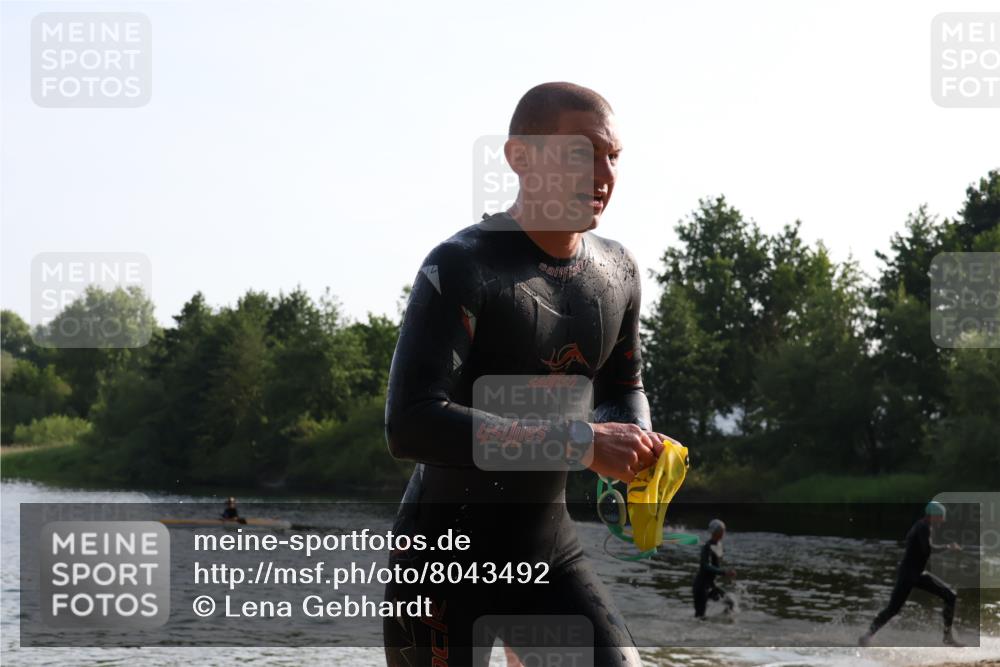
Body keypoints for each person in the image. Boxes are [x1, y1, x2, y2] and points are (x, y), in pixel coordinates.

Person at [382, 82, 678, 667]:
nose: (602, 171)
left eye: (612, 156)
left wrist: (637, 444)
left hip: (547, 556)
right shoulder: (462, 266)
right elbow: (410, 424)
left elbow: (622, 388)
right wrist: (582, 443)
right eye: (582, 151)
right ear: (520, 156)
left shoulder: (616, 272)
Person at [858, 501, 963, 647]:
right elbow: (927, 550)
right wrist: (948, 547)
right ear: (933, 515)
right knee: (893, 609)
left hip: (917, 574)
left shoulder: (923, 526)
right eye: (941, 517)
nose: (943, 521)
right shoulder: (923, 528)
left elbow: (923, 550)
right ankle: (866, 636)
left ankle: (947, 637)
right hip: (908, 575)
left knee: (950, 596)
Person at [693, 519, 736, 618]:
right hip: (700, 587)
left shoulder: (719, 545)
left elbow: (716, 565)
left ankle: (723, 624)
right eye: (722, 530)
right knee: (700, 617)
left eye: (724, 530)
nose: (724, 533)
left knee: (730, 603)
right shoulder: (707, 547)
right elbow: (705, 565)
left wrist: (728, 572)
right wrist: (723, 572)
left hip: (710, 585)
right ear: (715, 532)